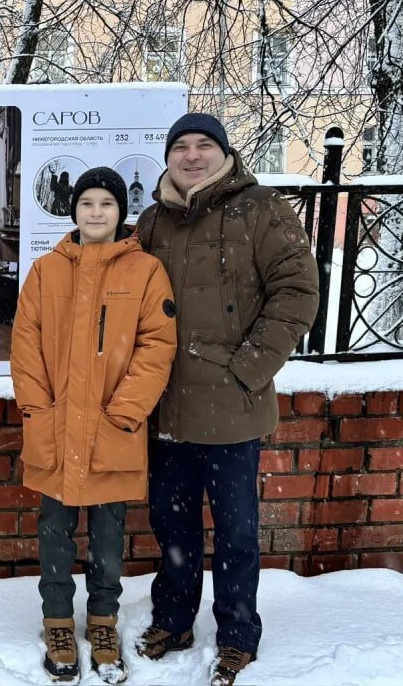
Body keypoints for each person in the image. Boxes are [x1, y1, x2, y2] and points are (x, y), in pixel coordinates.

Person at [133, 113, 318, 686]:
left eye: (203, 145)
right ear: (168, 157)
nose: (192, 156)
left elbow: (298, 290)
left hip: (233, 407)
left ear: (224, 153)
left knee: (236, 532)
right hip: (166, 407)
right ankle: (173, 621)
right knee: (173, 526)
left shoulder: (260, 208)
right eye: (181, 147)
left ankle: (238, 633)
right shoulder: (152, 221)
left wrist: (248, 371)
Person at [12, 167, 177, 684]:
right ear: (74, 211)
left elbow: (157, 346)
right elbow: (25, 345)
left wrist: (124, 411)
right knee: (54, 534)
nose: (97, 212)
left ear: (121, 212)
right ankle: (58, 624)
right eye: (87, 203)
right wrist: (38, 408)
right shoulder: (46, 270)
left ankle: (103, 623)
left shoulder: (146, 271)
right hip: (57, 428)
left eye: (107, 203)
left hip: (112, 429)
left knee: (108, 538)